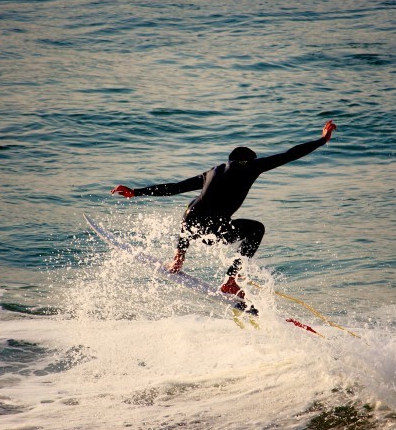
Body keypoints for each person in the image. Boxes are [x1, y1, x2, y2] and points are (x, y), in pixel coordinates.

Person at [111, 120, 337, 307]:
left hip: (193, 228)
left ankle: (179, 257)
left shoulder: (211, 172)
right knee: (256, 229)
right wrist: (322, 140)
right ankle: (230, 280)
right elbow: (290, 154)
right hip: (216, 229)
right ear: (250, 160)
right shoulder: (251, 167)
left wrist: (136, 192)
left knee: (192, 205)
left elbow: (174, 187)